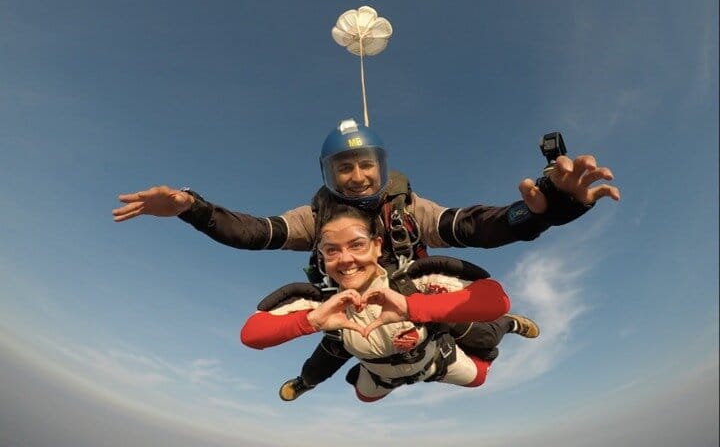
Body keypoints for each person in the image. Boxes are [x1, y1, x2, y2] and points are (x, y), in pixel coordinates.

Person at [112, 118, 620, 399]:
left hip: (415, 295)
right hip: (352, 309)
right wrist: (192, 208)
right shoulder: (314, 219)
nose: (356, 177)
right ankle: (308, 382)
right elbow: (253, 233)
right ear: (329, 174)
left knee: (481, 332)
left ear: (381, 167)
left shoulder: (407, 209)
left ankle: (504, 328)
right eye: (344, 168)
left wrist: (539, 212)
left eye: (365, 165)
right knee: (342, 358)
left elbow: (473, 226)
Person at [241, 204, 530, 402]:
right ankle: (306, 381)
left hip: (435, 361)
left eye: (357, 245)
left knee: (479, 375)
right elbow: (251, 334)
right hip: (380, 375)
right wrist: (312, 321)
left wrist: (414, 307)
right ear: (322, 257)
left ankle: (510, 326)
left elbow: (496, 299)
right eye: (332, 250)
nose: (346, 259)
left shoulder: (412, 282)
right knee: (362, 396)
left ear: (377, 246)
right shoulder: (323, 302)